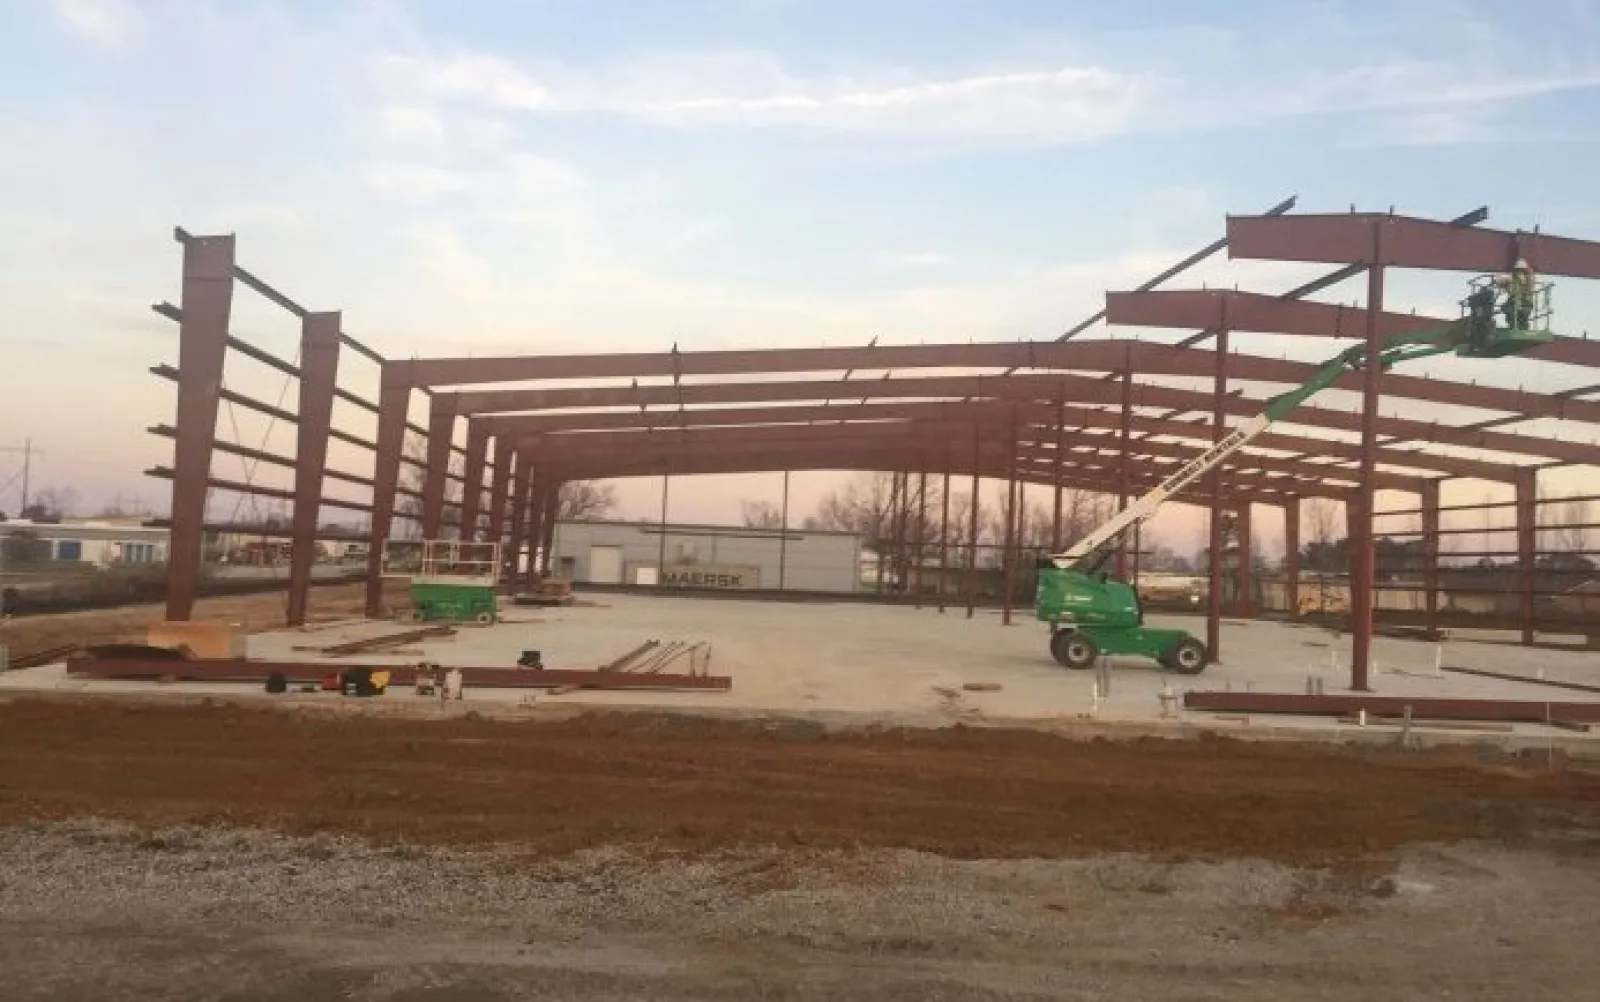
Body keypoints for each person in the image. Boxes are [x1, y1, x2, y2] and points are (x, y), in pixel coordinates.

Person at [1494, 259, 1536, 330]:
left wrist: (1500, 280)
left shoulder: (1526, 279)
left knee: (1512, 311)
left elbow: (1524, 283)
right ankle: (1516, 325)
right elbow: (1503, 284)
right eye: (1518, 270)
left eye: (1521, 270)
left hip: (1523, 302)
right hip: (1520, 302)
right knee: (1510, 311)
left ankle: (1518, 326)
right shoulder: (1515, 280)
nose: (1519, 272)